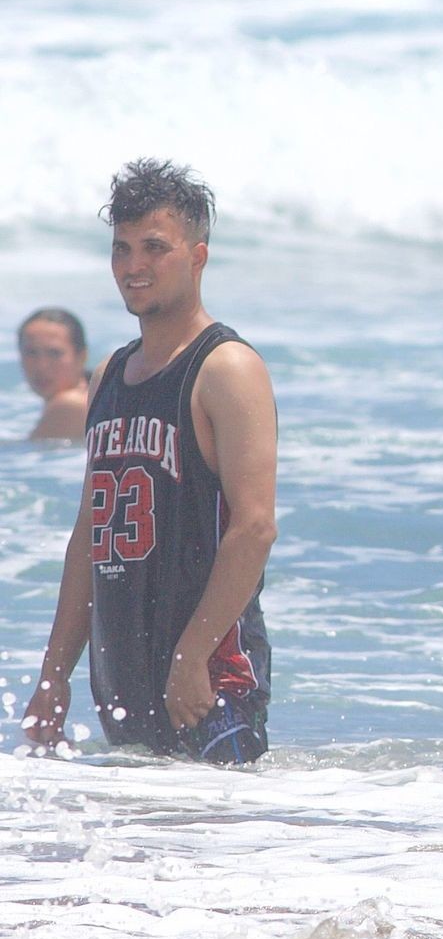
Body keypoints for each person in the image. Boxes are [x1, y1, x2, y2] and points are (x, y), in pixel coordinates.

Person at [22, 160, 276, 764]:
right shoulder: (110, 374)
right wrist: (54, 677)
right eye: (122, 248)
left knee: (221, 826)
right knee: (144, 829)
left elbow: (254, 528)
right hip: (124, 677)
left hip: (208, 680)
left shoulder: (225, 368)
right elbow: (91, 534)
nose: (133, 265)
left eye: (155, 248)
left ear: (197, 256)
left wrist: (192, 654)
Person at [17, 307, 89, 441]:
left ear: (81, 356)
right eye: (31, 352)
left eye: (54, 353)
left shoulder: (70, 405)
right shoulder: (93, 397)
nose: (41, 366)